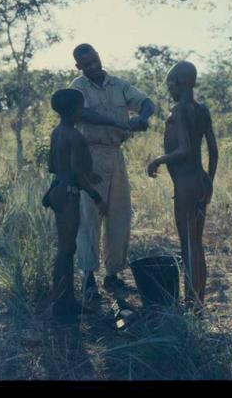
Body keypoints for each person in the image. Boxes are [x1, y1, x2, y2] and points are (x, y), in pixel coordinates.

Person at [69, 43, 155, 299]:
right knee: (89, 218)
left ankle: (113, 274)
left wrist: (143, 118)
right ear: (79, 66)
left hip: (115, 154)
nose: (94, 66)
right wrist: (120, 122)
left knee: (120, 214)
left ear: (99, 56)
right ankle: (88, 277)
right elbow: (83, 113)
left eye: (95, 60)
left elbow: (145, 102)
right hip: (89, 155)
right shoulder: (79, 87)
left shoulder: (118, 85)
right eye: (87, 64)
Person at [147, 61, 218, 311]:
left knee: (189, 245)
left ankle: (192, 303)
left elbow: (185, 149)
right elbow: (213, 150)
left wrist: (158, 160)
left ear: (177, 83)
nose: (169, 89)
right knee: (196, 244)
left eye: (169, 84)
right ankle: (197, 301)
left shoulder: (179, 110)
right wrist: (208, 181)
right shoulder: (202, 110)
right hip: (200, 181)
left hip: (186, 185)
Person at [42, 88, 108, 323]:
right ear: (77, 110)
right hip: (69, 193)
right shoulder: (75, 136)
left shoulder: (57, 132)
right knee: (66, 250)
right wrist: (98, 197)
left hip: (57, 189)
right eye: (82, 106)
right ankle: (62, 304)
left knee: (65, 249)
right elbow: (79, 176)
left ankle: (66, 300)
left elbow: (53, 165)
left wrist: (84, 174)